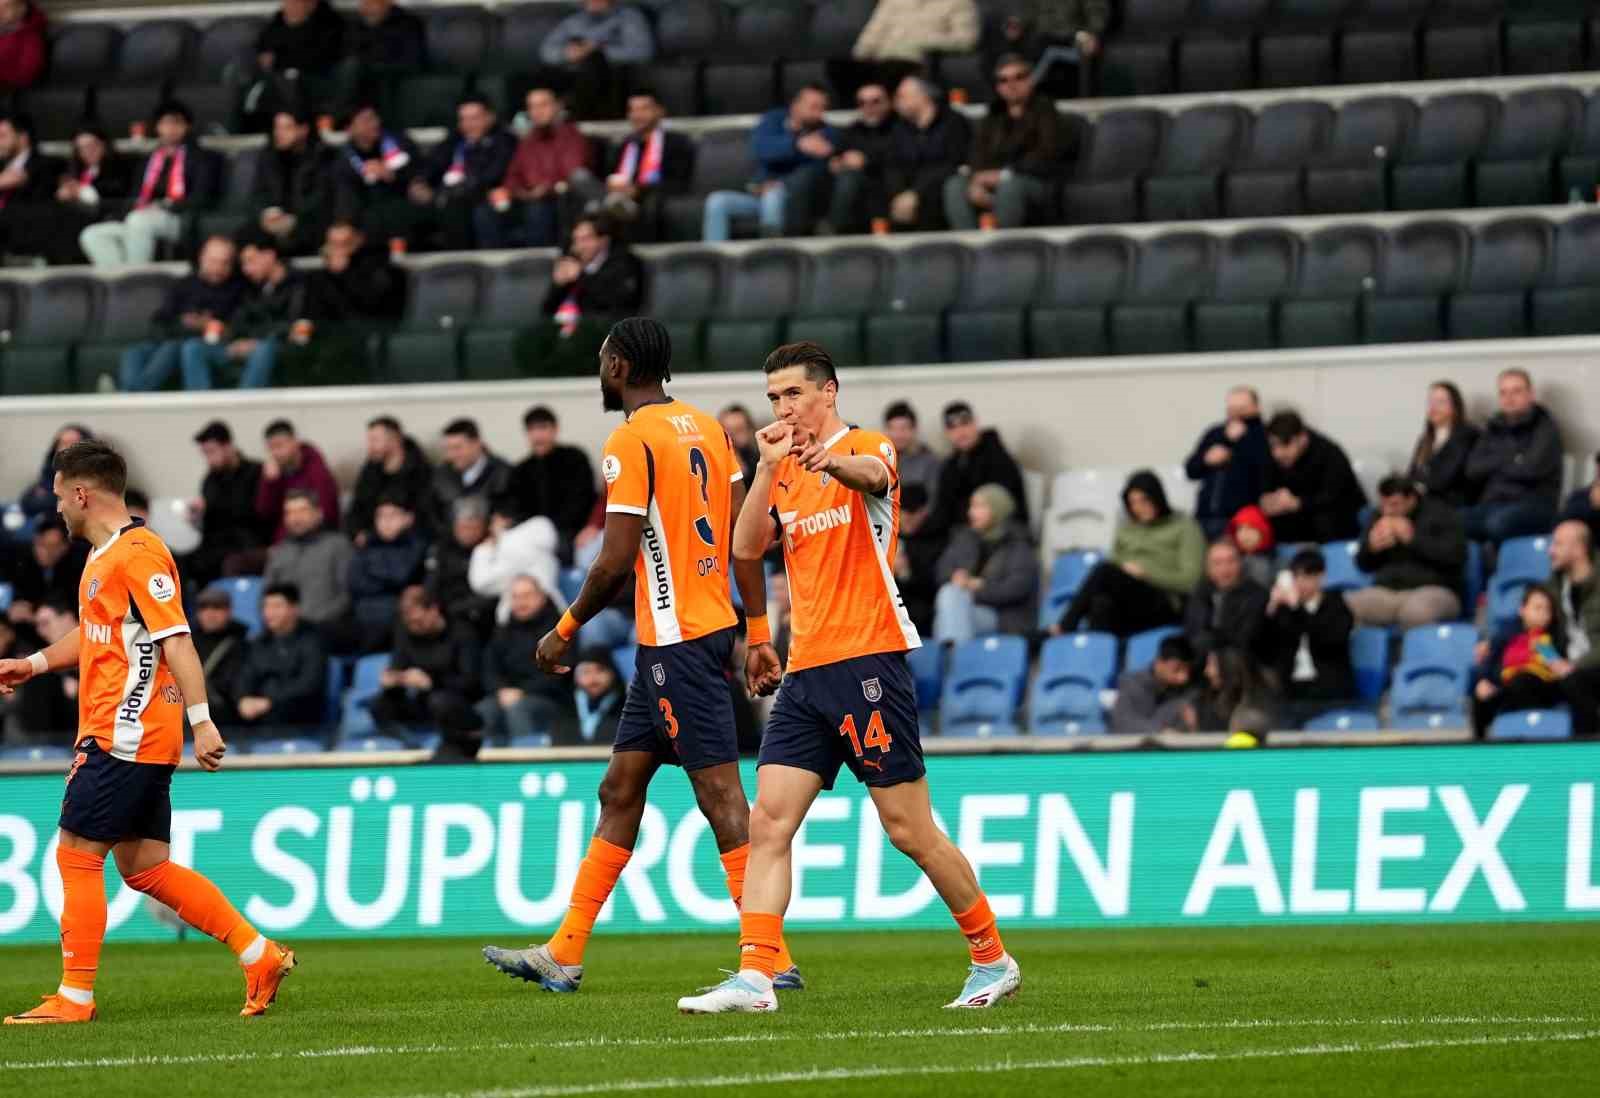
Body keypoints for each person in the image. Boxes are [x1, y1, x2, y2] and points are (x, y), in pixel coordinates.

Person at [675, 340, 1017, 1014]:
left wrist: (828, 459)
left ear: (828, 392)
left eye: (793, 393)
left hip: (869, 660)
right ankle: (756, 975)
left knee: (909, 830)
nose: (783, 407)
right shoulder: (784, 469)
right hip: (807, 672)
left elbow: (871, 476)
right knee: (768, 823)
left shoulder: (866, 446)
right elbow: (745, 549)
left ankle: (992, 957)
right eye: (773, 397)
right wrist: (767, 470)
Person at [483, 317, 802, 996]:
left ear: (622, 367)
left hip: (677, 643)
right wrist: (758, 631)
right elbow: (748, 536)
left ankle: (769, 957)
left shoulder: (630, 440)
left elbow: (616, 559)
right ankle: (564, 953)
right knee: (620, 788)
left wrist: (563, 627)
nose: (600, 371)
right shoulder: (711, 428)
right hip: (692, 637)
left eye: (603, 360)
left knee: (721, 798)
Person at [0, 439, 295, 1024]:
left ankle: (75, 997)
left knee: (77, 857)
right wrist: (31, 665)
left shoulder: (137, 554)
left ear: (82, 493)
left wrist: (203, 720)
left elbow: (177, 639)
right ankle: (259, 955)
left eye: (60, 496)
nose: (56, 508)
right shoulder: (105, 554)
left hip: (124, 733)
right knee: (145, 867)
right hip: (134, 733)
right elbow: (96, 638)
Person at [1056, 471, 1205, 638]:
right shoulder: (1126, 529)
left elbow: (1191, 581)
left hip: (1164, 602)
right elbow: (1116, 564)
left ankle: (1064, 626)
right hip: (1128, 601)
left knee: (1104, 571)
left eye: (1144, 500)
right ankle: (1098, 659)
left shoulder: (1184, 526)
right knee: (1101, 604)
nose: (1139, 508)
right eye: (1133, 502)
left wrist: (1146, 574)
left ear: (1158, 497)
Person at [79, 101, 220, 268]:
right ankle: (122, 281)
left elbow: (201, 196)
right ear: (157, 127)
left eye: (176, 123)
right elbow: (135, 195)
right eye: (165, 123)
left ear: (187, 126)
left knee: (139, 220)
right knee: (92, 234)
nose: (170, 129)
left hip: (179, 218)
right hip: (140, 218)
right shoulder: (149, 160)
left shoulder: (203, 158)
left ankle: (134, 278)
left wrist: (163, 205)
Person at [943, 55, 1071, 231]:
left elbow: (1046, 155)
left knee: (1010, 186)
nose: (1011, 84)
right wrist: (975, 180)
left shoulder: (1046, 110)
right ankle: (970, 248)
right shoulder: (993, 115)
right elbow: (977, 152)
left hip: (1035, 182)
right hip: (994, 182)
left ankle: (1002, 250)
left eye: (1019, 77)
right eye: (1004, 80)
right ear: (998, 86)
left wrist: (1005, 175)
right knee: (955, 185)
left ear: (1030, 79)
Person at [513, 213, 644, 376]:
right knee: (530, 339)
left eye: (585, 239)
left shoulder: (625, 262)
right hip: (569, 328)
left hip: (604, 330)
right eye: (576, 240)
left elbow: (617, 302)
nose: (579, 246)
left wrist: (581, 276)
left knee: (581, 340)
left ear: (603, 240)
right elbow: (546, 310)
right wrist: (558, 285)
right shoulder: (572, 261)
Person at [702, 85, 837, 242]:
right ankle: (716, 257)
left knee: (772, 196)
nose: (819, 113)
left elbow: (816, 171)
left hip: (794, 198)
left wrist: (780, 184)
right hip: (759, 194)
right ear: (796, 105)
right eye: (814, 107)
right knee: (717, 201)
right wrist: (797, 145)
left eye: (822, 108)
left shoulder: (827, 132)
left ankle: (770, 259)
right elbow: (762, 151)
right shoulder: (773, 120)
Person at [118, 237, 247, 393]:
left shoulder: (238, 289)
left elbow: (236, 329)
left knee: (178, 346)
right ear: (202, 258)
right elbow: (159, 321)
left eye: (225, 263)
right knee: (134, 352)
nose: (218, 268)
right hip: (173, 337)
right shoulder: (185, 284)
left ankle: (131, 394)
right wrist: (182, 323)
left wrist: (205, 325)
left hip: (208, 344)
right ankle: (129, 395)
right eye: (213, 261)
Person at [475, 88, 598, 250]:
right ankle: (494, 265)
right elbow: (513, 176)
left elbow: (573, 175)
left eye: (543, 105)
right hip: (526, 198)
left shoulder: (573, 137)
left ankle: (537, 265)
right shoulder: (528, 141)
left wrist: (545, 189)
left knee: (538, 210)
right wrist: (511, 191)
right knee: (485, 211)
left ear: (557, 107)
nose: (537, 111)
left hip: (557, 201)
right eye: (532, 107)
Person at [288, 218, 405, 386]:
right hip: (325, 336)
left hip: (363, 333)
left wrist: (342, 275)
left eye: (344, 244)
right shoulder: (319, 277)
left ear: (358, 242)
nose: (337, 250)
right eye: (333, 244)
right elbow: (309, 312)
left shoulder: (378, 269)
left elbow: (371, 306)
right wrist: (300, 333)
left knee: (335, 354)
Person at [180, 233, 304, 390]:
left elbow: (298, 327)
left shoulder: (299, 285)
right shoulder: (251, 286)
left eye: (250, 261)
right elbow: (241, 320)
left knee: (264, 349)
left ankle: (242, 406)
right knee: (194, 347)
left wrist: (257, 341)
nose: (246, 269)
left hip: (277, 346)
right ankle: (200, 407)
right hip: (245, 345)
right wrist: (232, 338)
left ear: (269, 256)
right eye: (243, 263)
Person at [371, 586, 482, 757]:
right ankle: (409, 744)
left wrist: (431, 682)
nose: (414, 627)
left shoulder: (462, 632)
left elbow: (470, 681)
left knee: (440, 701)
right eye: (409, 623)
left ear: (433, 610)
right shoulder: (405, 632)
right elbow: (398, 667)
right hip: (418, 700)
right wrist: (394, 680)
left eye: (419, 621)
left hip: (457, 700)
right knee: (379, 704)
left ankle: (451, 747)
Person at [1347, 475, 1467, 629]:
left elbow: (1455, 556)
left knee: (1414, 614)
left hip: (1435, 590)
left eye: (1395, 504)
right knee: (1344, 609)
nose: (1388, 511)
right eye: (1384, 504)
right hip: (1388, 591)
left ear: (1411, 499)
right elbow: (1363, 565)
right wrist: (1371, 548)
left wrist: (1413, 540)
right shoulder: (1379, 516)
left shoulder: (1441, 515)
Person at [8, 124, 135, 266]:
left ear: (104, 144)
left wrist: (81, 192)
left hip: (106, 217)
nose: (88, 152)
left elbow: (115, 194)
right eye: (82, 148)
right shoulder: (77, 170)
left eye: (92, 145)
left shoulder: (120, 166)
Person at [1464, 369, 1564, 547]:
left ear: (1530, 395)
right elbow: (1472, 469)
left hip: (1534, 505)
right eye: (1503, 392)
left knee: (1497, 524)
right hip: (1494, 503)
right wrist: (1511, 458)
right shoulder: (1493, 427)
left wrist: (1494, 463)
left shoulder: (1546, 428)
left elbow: (1530, 470)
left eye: (1516, 391)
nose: (1509, 398)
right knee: (1451, 522)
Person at [932, 484, 1038, 644]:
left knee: (948, 607)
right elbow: (941, 570)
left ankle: (953, 659)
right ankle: (958, 657)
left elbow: (1018, 588)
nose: (970, 513)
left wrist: (979, 587)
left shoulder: (1018, 544)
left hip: (1003, 618)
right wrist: (955, 576)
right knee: (949, 595)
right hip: (963, 606)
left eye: (978, 506)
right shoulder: (965, 538)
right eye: (971, 506)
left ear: (997, 509)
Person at [1265, 548, 1355, 728]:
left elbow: (1327, 641)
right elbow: (1263, 646)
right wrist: (1270, 610)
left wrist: (1296, 608)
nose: (1300, 583)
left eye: (1306, 577)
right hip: (1291, 690)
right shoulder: (1286, 609)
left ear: (1320, 577)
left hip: (1328, 690)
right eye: (1296, 577)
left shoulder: (1337, 606)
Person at [475, 574, 569, 745]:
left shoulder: (560, 630)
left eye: (527, 596)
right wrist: (500, 690)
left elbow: (560, 673)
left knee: (518, 709)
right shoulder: (503, 631)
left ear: (541, 598)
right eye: (516, 597)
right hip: (507, 696)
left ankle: (525, 763)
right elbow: (489, 669)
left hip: (549, 699)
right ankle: (485, 768)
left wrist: (523, 692)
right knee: (484, 710)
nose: (521, 602)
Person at [232, 583, 329, 739]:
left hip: (298, 712)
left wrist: (270, 702)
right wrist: (243, 699)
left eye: (277, 606)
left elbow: (310, 683)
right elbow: (244, 676)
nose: (269, 613)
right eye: (266, 607)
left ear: (294, 609)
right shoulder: (258, 643)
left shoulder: (313, 640)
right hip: (259, 712)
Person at [829, 0, 980, 99]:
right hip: (880, 59)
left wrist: (924, 42)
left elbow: (966, 40)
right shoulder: (892, 2)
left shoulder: (959, 3)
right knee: (837, 67)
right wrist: (862, 53)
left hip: (914, 61)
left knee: (891, 69)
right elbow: (870, 35)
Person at [923, 401, 1029, 541]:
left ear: (976, 424)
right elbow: (941, 509)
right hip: (960, 534)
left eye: (965, 424)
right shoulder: (950, 466)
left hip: (1000, 534)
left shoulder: (998, 459)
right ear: (947, 433)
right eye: (953, 428)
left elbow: (999, 509)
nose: (960, 432)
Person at [598, 89, 693, 243]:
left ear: (660, 111)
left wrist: (638, 190)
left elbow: (680, 182)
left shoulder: (676, 143)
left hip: (651, 196)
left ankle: (624, 210)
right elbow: (611, 175)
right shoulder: (622, 146)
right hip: (617, 195)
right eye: (633, 110)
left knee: (650, 203)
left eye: (644, 109)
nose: (637, 115)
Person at [1472, 586, 1568, 738]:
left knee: (1522, 680)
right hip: (1507, 687)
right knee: (1480, 695)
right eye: (1537, 608)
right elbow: (1489, 663)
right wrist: (1483, 681)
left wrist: (1545, 652)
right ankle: (1479, 745)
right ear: (1522, 610)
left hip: (1542, 688)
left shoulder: (1556, 637)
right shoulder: (1506, 636)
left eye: (1547, 609)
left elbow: (1559, 667)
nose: (1543, 614)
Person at [1260, 411, 1367, 546]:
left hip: (1336, 515)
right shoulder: (1273, 456)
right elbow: (1266, 487)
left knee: (1325, 520)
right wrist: (1268, 501)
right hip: (1294, 516)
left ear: (1303, 438)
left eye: (1285, 444)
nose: (1278, 453)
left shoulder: (1330, 453)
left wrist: (1298, 503)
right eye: (1273, 446)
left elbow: (1335, 497)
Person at [536, 0, 655, 120]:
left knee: (594, 61)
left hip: (612, 76)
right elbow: (546, 51)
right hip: (573, 74)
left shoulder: (628, 18)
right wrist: (567, 54)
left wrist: (599, 50)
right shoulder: (573, 22)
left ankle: (575, 116)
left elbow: (642, 52)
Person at [503, 406, 598, 556]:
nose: (537, 435)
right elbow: (516, 509)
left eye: (542, 428)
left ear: (555, 429)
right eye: (532, 429)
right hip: (532, 536)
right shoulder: (521, 470)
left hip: (572, 533)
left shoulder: (575, 459)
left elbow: (582, 500)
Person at [187, 421, 271, 588]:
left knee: (222, 562)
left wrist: (211, 508)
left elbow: (253, 512)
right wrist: (197, 516)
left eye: (212, 451)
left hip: (246, 542)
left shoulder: (255, 472)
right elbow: (208, 526)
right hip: (214, 544)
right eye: (205, 453)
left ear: (228, 446)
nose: (208, 458)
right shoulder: (210, 480)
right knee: (178, 561)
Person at [883, 77, 973, 233]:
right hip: (907, 195)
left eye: (901, 96)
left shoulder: (953, 122)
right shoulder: (899, 128)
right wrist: (899, 195)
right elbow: (892, 165)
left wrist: (916, 193)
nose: (896, 101)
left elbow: (953, 164)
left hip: (939, 189)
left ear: (923, 96)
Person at [241, 0, 346, 132]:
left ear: (311, 4)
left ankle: (292, 130)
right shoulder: (278, 20)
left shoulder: (329, 21)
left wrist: (296, 29)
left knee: (290, 82)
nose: (291, 6)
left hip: (315, 80)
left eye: (296, 3)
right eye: (288, 3)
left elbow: (321, 58)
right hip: (278, 79)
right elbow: (264, 49)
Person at [1185, 386, 1271, 539]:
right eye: (1232, 409)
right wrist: (1206, 460)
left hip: (1244, 520)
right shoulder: (1215, 433)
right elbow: (1190, 470)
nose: (1236, 414)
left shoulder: (1265, 435)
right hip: (1205, 517)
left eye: (1242, 408)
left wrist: (1241, 440)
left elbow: (1265, 470)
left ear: (1256, 407)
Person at [263, 489, 353, 631]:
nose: (295, 518)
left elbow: (347, 595)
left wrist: (319, 621)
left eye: (302, 511)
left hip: (325, 628)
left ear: (318, 514)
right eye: (289, 512)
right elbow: (266, 594)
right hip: (284, 632)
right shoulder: (279, 552)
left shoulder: (338, 546)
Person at [331, 103, 421, 245]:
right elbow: (346, 198)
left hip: (402, 208)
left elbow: (420, 172)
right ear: (349, 129)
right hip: (366, 219)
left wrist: (392, 175)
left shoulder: (399, 142)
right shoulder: (342, 161)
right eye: (366, 121)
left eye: (374, 118)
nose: (374, 124)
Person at [347, 497, 426, 652]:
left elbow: (402, 575)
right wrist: (388, 581)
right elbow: (355, 583)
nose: (386, 521)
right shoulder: (365, 546)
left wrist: (373, 573)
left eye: (393, 515)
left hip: (398, 619)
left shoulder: (418, 545)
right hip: (363, 616)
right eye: (381, 516)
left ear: (408, 518)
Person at [252, 109, 333, 257]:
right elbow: (258, 194)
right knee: (246, 236)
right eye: (277, 127)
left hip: (308, 223)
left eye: (286, 128)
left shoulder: (323, 156)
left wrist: (293, 219)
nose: (279, 133)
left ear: (303, 130)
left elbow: (321, 199)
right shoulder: (268, 156)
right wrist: (267, 212)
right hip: (274, 223)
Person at [824, 83, 902, 236]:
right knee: (846, 178)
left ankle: (834, 230)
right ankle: (835, 231)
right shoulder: (853, 129)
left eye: (875, 101)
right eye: (862, 102)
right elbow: (835, 156)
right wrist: (837, 162)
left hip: (889, 182)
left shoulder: (900, 127)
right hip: (855, 185)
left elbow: (902, 157)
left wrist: (866, 160)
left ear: (889, 102)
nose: (869, 107)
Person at [469, 502, 562, 625]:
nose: (490, 529)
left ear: (505, 521)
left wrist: (486, 549)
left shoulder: (507, 548)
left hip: (548, 617)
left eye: (493, 523)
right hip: (517, 622)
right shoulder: (539, 532)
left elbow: (480, 582)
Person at [1548, 521, 1600, 739]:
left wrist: (1573, 666)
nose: (1550, 551)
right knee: (1521, 685)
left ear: (1579, 549)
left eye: (1558, 544)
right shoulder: (1555, 584)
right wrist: (1550, 659)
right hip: (1568, 669)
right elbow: (1532, 628)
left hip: (1592, 666)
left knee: (1574, 682)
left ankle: (1588, 748)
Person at [346, 416, 432, 544]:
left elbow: (426, 513)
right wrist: (356, 532)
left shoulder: (421, 472)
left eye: (375, 440)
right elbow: (356, 508)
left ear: (395, 439)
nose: (370, 446)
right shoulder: (370, 472)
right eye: (369, 440)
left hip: (411, 542)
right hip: (371, 543)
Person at [333, 0, 426, 115]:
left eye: (372, 4)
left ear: (387, 3)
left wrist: (373, 65)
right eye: (364, 3)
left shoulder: (408, 23)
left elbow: (412, 61)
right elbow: (346, 54)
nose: (366, 8)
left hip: (392, 76)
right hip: (359, 75)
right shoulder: (355, 26)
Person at [253, 420, 339, 543]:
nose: (276, 453)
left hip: (314, 540)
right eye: (271, 448)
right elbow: (264, 515)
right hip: (281, 543)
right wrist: (270, 484)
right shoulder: (273, 472)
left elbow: (327, 513)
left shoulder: (317, 469)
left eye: (280, 446)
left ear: (295, 442)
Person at [1183, 538, 1269, 660]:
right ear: (1208, 568)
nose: (1225, 569)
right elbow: (1193, 632)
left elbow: (1245, 640)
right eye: (1217, 563)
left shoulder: (1257, 595)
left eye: (1231, 561)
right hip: (1202, 661)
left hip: (1241, 663)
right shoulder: (1200, 592)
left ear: (1240, 563)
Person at [426, 496, 499, 638]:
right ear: (454, 526)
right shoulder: (442, 547)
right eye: (463, 527)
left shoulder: (494, 548)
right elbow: (432, 583)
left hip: (481, 615)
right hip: (447, 611)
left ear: (484, 526)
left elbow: (494, 592)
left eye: (474, 527)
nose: (468, 532)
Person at [428, 418, 513, 538]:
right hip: (450, 548)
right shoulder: (440, 476)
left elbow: (510, 515)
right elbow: (433, 515)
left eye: (457, 448)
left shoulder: (504, 473)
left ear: (477, 444)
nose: (452, 455)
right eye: (448, 449)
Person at [1406, 380, 1480, 507]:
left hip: (1449, 502)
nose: (1433, 407)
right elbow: (1411, 474)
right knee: (1370, 513)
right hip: (1422, 499)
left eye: (1440, 402)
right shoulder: (1425, 439)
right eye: (1431, 402)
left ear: (1455, 407)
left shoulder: (1467, 436)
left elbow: (1445, 479)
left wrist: (1417, 487)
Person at [0, 113, 63, 257]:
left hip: (25, 235)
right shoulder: (2, 168)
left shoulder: (46, 165)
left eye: (3, 136)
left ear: (23, 137)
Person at [1108, 634, 1198, 734]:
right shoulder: (1131, 684)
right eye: (1177, 670)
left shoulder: (1189, 691)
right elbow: (1121, 723)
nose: (1183, 678)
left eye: (1187, 671)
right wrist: (1160, 731)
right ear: (1159, 662)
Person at [7, 519, 87, 626]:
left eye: (50, 547)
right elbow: (20, 596)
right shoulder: (23, 561)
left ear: (64, 547)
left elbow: (72, 604)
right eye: (39, 544)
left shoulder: (79, 565)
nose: (42, 551)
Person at [1185, 646, 1277, 735]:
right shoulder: (1206, 705)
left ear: (1228, 667)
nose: (1207, 672)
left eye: (1211, 665)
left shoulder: (1257, 708)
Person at [193, 587, 248, 728]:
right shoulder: (186, 640)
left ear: (229, 611)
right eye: (204, 608)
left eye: (217, 607)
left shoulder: (242, 642)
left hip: (228, 718)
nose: (210, 614)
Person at [18, 425, 92, 518]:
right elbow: (28, 504)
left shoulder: (100, 479)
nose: (67, 448)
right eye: (63, 443)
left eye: (73, 442)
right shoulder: (49, 477)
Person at [568, 648, 625, 745]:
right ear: (575, 677)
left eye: (600, 670)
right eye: (586, 672)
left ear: (612, 674)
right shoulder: (565, 708)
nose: (593, 678)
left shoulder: (628, 707)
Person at [0, 0, 46, 93]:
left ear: (21, 9)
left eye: (7, 7)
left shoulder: (30, 37)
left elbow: (26, 73)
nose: (1, 11)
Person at [719, 404, 761, 487]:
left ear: (750, 431)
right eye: (726, 431)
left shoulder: (761, 463)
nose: (731, 437)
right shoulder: (713, 464)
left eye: (738, 430)